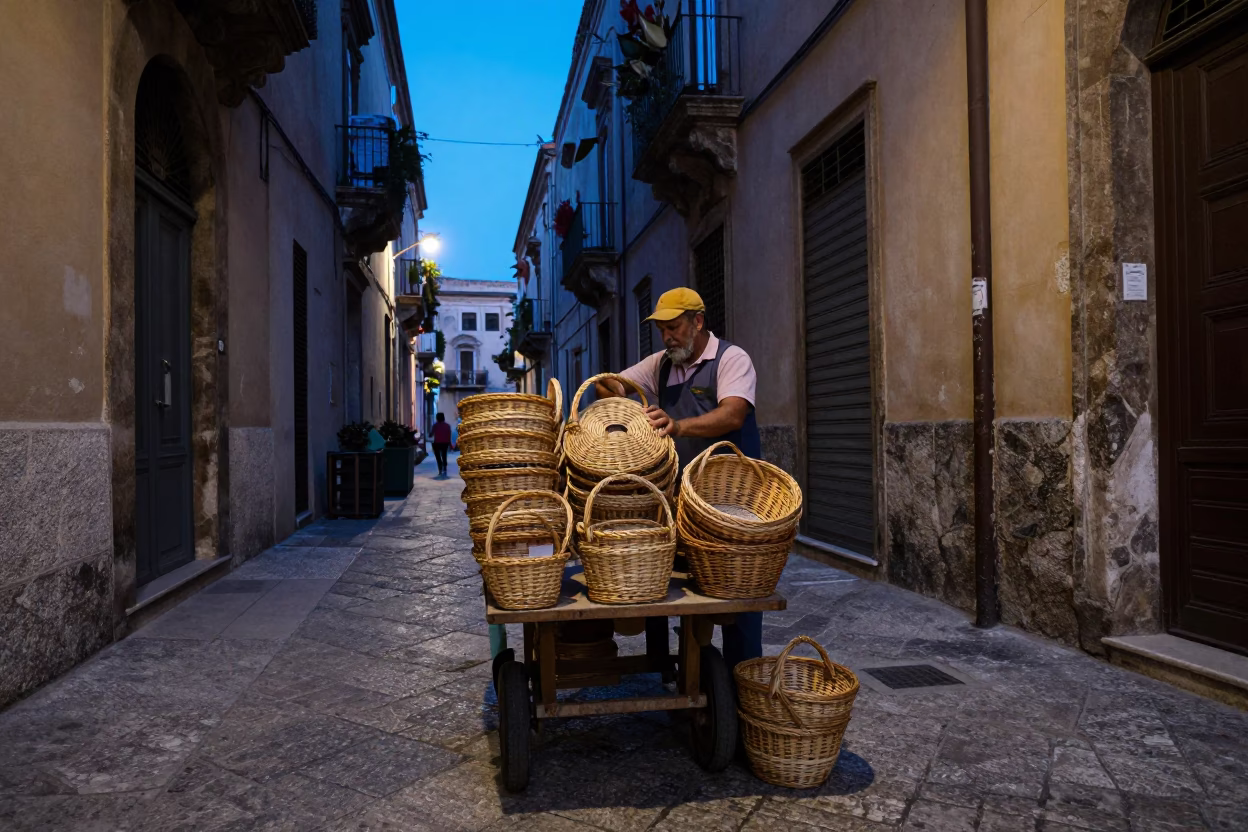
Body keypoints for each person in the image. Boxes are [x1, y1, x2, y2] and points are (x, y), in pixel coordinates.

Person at [595, 288, 763, 668]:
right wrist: (635, 405)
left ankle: (741, 678)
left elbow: (733, 415)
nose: (668, 336)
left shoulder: (731, 359)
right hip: (683, 497)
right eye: (662, 330)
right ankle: (675, 670)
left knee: (739, 594)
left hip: (733, 500)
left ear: (697, 322)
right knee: (675, 585)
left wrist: (679, 425)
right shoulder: (662, 363)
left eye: (674, 327)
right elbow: (607, 383)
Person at [430, 412, 452, 477]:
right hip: (445, 443)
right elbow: (449, 435)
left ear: (437, 418)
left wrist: (430, 434)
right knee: (444, 455)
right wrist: (450, 443)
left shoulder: (435, 425)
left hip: (437, 443)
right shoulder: (447, 425)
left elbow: (431, 434)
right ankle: (444, 468)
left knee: (438, 456)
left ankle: (440, 469)